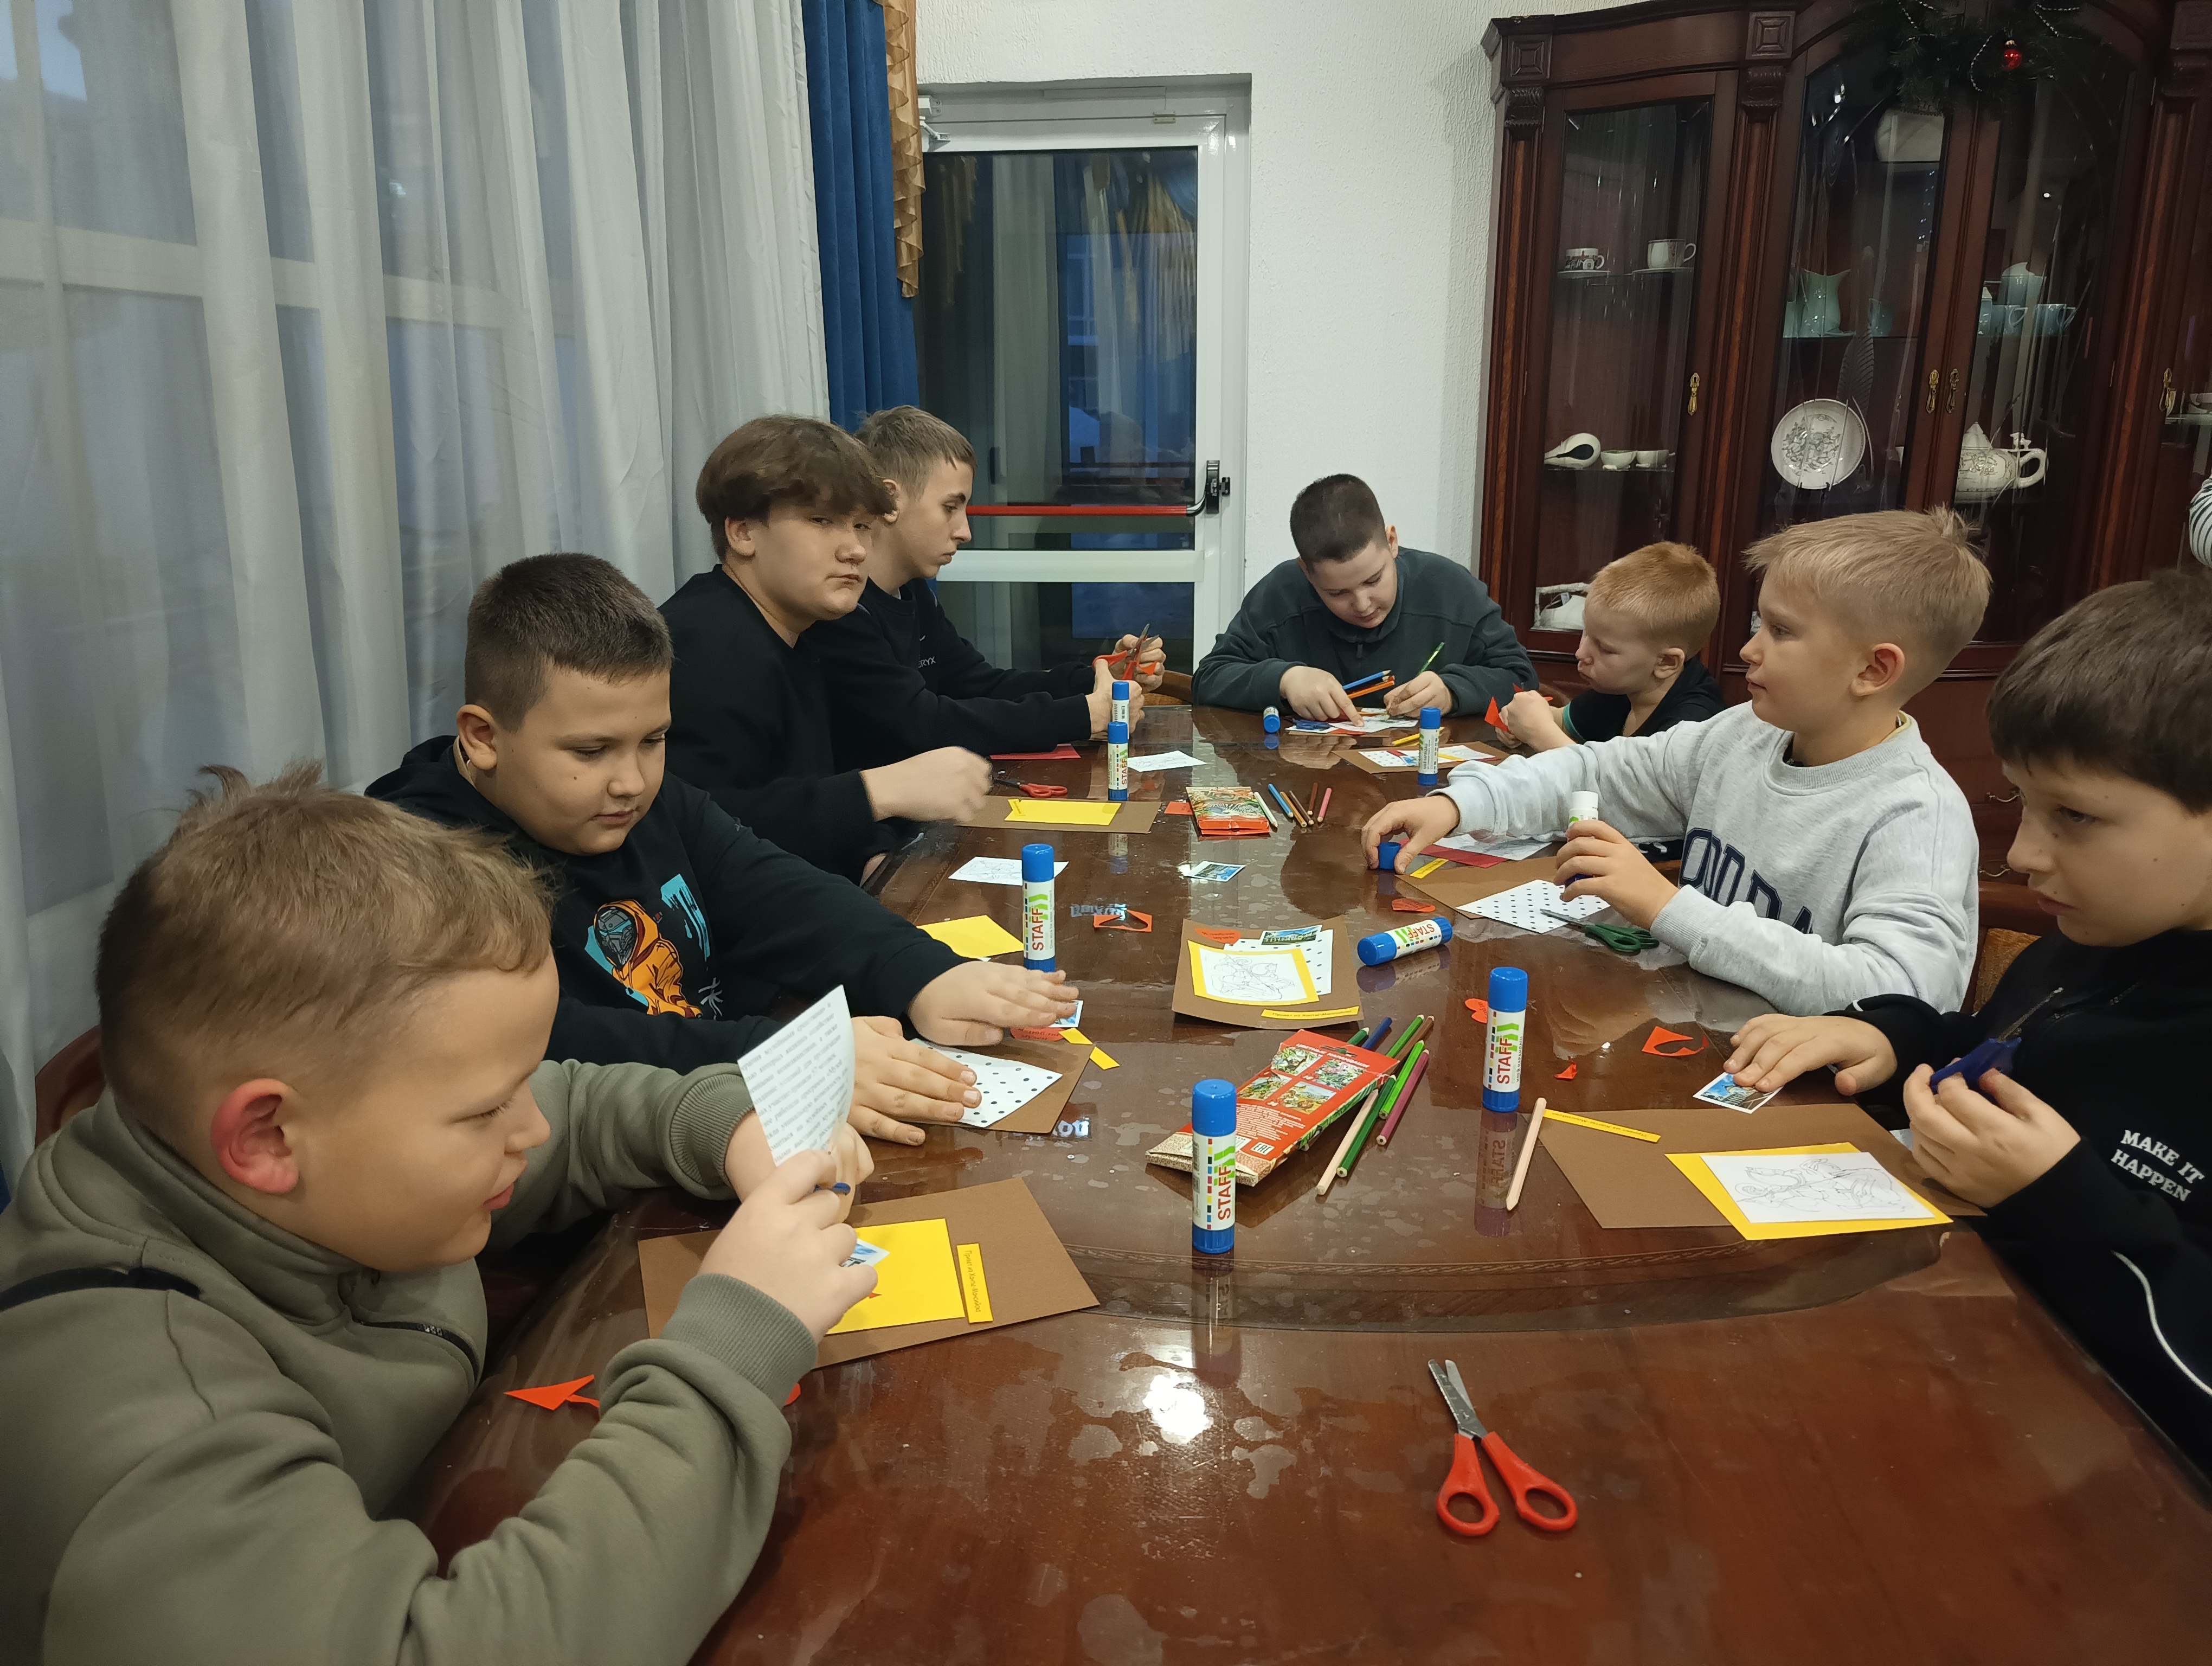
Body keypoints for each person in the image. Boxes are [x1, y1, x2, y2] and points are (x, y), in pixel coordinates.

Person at [0, 765, 874, 1663]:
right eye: (486, 1109)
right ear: (265, 1137)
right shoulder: (143, 1431)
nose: (530, 1127)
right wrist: (731, 1348)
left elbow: (576, 1108)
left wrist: (728, 1125)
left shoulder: (319, 1160)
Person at [1719, 571, 2212, 1471]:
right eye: (2024, 803)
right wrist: (1893, 1033)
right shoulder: (2094, 943)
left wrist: (2059, 1197)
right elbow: (2004, 1049)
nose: (2023, 853)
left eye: (2075, 816)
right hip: (1948, 1365)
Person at [369, 553, 1078, 1144]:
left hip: (724, 1121)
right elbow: (540, 1042)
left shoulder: (648, 799)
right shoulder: (415, 864)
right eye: (590, 751)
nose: (632, 781)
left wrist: (921, 972)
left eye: (654, 740)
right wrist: (786, 1057)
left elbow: (775, 890)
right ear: (483, 737)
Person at [1362, 508, 1990, 1014]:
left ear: (1874, 669)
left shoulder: (1917, 817)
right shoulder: (1738, 735)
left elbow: (1903, 995)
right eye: (1759, 623)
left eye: (1781, 631)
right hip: (1691, 1029)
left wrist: (1667, 907)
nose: (1750, 648)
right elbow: (1597, 773)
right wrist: (1460, 803)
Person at [661, 415, 990, 882]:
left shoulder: (799, 630)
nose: (854, 549)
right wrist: (877, 791)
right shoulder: (704, 642)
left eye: (861, 526)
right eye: (822, 521)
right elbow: (694, 827)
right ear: (743, 532)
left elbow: (804, 794)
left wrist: (871, 854)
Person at [806, 406, 1161, 773]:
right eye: (950, 508)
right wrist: (1081, 716)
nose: (965, 532)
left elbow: (980, 685)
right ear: (890, 500)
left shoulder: (915, 594)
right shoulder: (842, 607)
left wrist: (1101, 676)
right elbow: (921, 723)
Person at [1191, 473, 1534, 721]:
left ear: (1392, 541)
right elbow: (1209, 678)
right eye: (1337, 593)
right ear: (1306, 571)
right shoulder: (1281, 593)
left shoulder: (1449, 589)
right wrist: (1285, 680)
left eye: (1374, 580)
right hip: (1308, 780)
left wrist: (1453, 691)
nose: (1363, 604)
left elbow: (1521, 677)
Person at [1502, 542, 1725, 749]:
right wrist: (1525, 719)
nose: (1581, 653)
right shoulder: (1625, 686)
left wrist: (1540, 734)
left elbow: (1618, 780)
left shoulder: (1691, 728)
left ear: (1666, 662)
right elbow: (1562, 722)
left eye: (1606, 649)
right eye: (1586, 633)